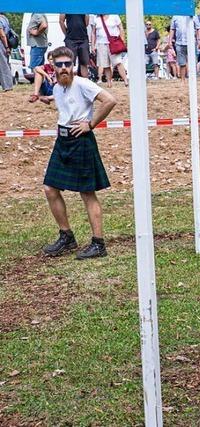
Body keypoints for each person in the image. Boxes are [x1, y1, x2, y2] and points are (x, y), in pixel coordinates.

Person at [36, 46, 117, 260]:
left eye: (68, 64)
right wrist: (47, 98)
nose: (64, 68)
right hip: (62, 140)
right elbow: (66, 98)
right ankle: (66, 236)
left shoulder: (83, 83)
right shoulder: (56, 88)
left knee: (87, 192)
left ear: (73, 65)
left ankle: (98, 244)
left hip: (81, 140)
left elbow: (110, 100)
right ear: (52, 65)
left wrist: (90, 124)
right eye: (59, 64)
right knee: (50, 189)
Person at [91, 14, 129, 87]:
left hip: (113, 43)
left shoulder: (114, 16)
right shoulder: (96, 18)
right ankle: (109, 83)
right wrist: (93, 45)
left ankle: (125, 80)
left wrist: (122, 40)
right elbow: (93, 33)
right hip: (101, 43)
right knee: (105, 65)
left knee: (118, 62)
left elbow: (121, 28)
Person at [169, 15, 200, 81]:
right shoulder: (175, 16)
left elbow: (198, 28)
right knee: (182, 62)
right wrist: (170, 41)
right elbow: (172, 29)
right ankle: (183, 79)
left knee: (193, 61)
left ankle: (192, 79)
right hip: (179, 42)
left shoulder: (193, 16)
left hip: (191, 42)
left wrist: (199, 40)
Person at [0, 12, 13, 92]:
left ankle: (8, 86)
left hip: (1, 45)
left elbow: (2, 35)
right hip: (5, 45)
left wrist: (6, 46)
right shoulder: (5, 19)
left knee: (3, 66)